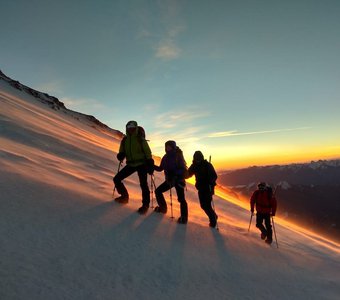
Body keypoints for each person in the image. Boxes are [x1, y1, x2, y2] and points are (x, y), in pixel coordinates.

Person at [113, 120, 154, 214]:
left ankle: (145, 205)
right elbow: (122, 151)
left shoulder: (140, 139)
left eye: (132, 127)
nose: (130, 129)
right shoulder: (125, 140)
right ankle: (124, 197)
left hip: (142, 164)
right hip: (131, 164)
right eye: (128, 127)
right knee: (117, 179)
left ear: (135, 128)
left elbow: (148, 152)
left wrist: (150, 162)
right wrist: (121, 155)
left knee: (143, 185)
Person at [153, 140, 188, 224]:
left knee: (181, 199)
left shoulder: (178, 156)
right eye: (167, 147)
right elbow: (161, 168)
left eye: (169, 146)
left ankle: (184, 217)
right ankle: (163, 208)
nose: (168, 148)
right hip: (170, 180)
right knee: (158, 191)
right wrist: (152, 166)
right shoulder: (165, 157)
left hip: (178, 180)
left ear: (173, 147)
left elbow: (183, 169)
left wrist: (174, 173)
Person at [187, 151, 218, 228]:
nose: (198, 160)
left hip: (208, 188)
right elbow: (188, 174)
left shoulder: (207, 165)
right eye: (196, 159)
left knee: (206, 205)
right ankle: (214, 216)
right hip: (201, 188)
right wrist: (183, 174)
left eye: (199, 159)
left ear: (201, 158)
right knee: (203, 205)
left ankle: (213, 221)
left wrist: (210, 181)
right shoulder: (194, 165)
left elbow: (214, 176)